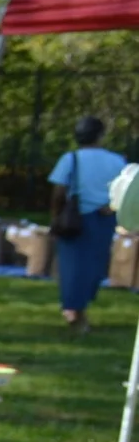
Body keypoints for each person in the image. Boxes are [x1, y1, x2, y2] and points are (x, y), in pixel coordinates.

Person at [51, 115, 128, 335]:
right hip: (103, 219)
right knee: (96, 264)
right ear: (100, 136)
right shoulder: (116, 161)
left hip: (74, 220)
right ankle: (79, 307)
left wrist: (56, 216)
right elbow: (126, 191)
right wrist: (112, 207)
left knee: (72, 265)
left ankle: (74, 309)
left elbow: (58, 191)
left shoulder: (70, 159)